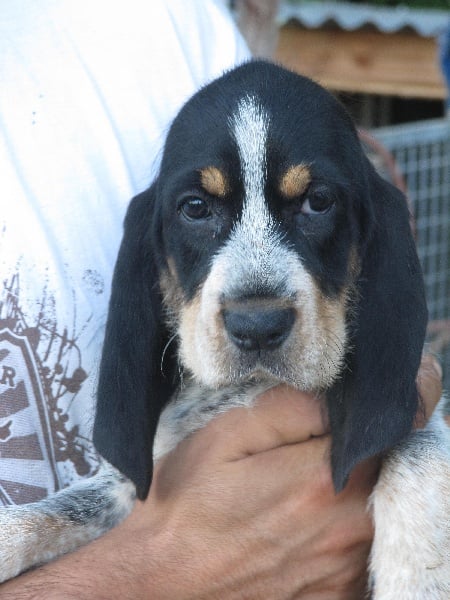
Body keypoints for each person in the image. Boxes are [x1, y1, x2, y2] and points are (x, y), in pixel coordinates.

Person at [0, 0, 443, 597]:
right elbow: (117, 494)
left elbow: (410, 409)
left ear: (370, 231)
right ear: (153, 255)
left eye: (316, 202)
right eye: (197, 208)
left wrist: (416, 471)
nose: (255, 303)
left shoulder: (169, 22)